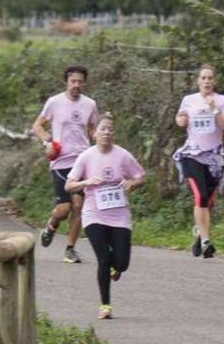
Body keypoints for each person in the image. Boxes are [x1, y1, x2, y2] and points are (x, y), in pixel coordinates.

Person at [65, 113, 145, 320]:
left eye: (110, 129)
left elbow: (141, 176)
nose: (107, 132)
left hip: (119, 215)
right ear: (94, 133)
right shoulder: (86, 157)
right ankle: (105, 305)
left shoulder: (123, 155)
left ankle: (116, 268)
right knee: (104, 258)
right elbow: (69, 184)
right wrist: (86, 182)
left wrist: (132, 183)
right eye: (103, 129)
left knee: (122, 264)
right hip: (94, 214)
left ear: (114, 133)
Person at [33, 65, 99, 263]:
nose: (76, 85)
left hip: (82, 161)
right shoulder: (54, 102)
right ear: (66, 82)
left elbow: (92, 130)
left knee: (78, 205)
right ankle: (52, 225)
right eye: (73, 81)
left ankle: (70, 249)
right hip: (61, 162)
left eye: (80, 81)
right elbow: (37, 126)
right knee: (63, 209)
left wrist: (101, 139)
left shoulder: (90, 105)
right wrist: (47, 142)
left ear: (84, 83)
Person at [173, 64, 224, 259]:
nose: (207, 81)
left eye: (210, 78)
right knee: (199, 197)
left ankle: (200, 233)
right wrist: (180, 120)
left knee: (208, 202)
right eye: (204, 78)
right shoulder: (189, 100)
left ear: (214, 81)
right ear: (198, 81)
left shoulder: (222, 100)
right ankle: (207, 241)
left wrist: (215, 110)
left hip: (215, 158)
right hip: (192, 155)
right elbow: (180, 117)